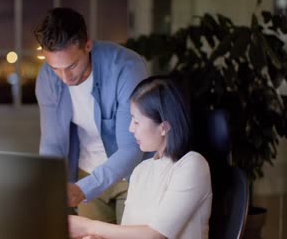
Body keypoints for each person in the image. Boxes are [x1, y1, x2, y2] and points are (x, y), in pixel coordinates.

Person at [34, 7, 148, 223]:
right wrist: (47, 185)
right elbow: (52, 144)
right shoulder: (48, 78)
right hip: (86, 172)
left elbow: (131, 147)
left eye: (72, 65)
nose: (64, 77)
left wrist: (83, 189)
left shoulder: (127, 68)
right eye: (55, 68)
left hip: (132, 175)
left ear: (87, 45)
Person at [68, 76, 213, 239]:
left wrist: (90, 227)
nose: (130, 128)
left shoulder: (192, 165)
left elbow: (156, 235)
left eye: (136, 122)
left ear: (164, 127)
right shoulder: (141, 170)